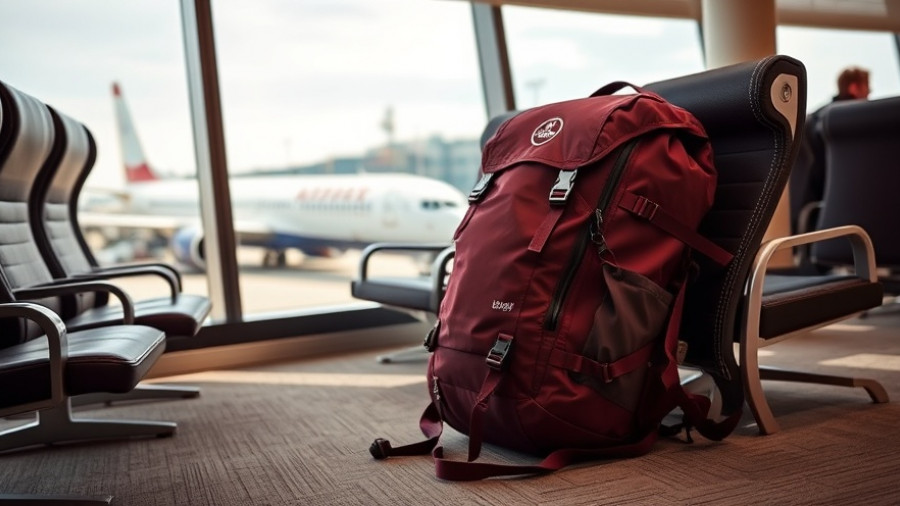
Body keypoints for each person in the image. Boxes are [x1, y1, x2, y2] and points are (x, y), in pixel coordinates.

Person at [789, 66, 870, 235]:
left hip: (814, 210)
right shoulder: (856, 122)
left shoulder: (818, 117)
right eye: (867, 89)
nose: (869, 94)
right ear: (854, 88)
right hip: (846, 210)